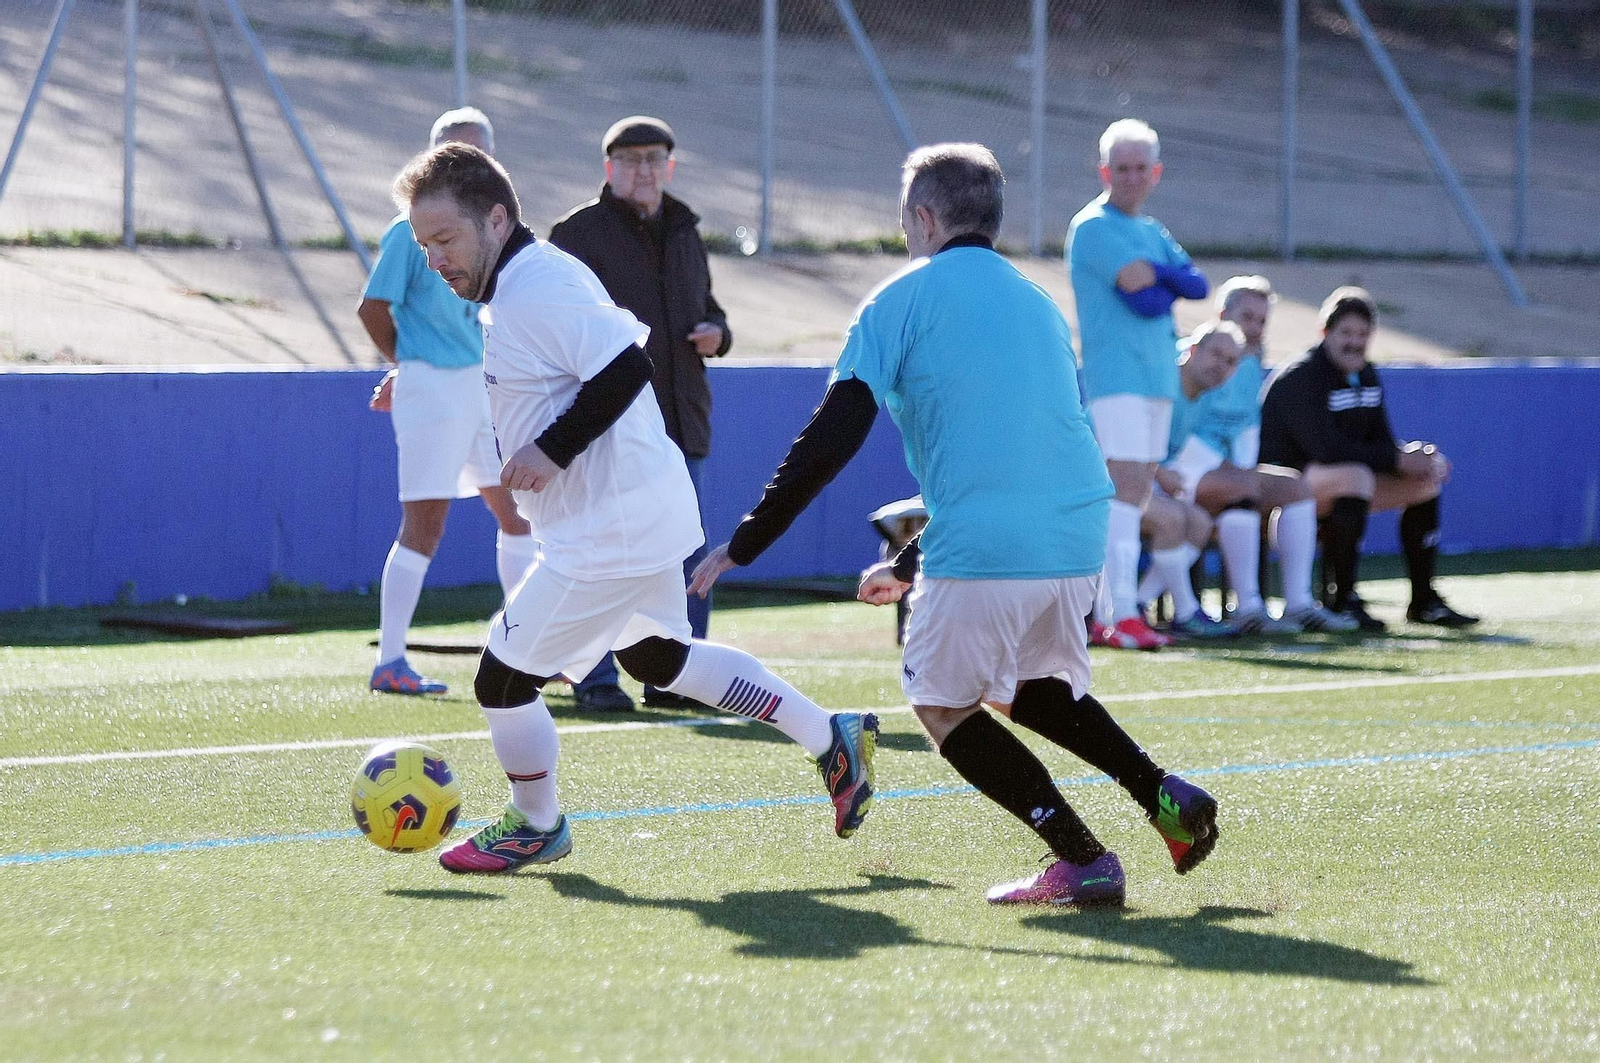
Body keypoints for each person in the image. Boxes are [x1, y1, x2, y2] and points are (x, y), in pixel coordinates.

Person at [690, 143, 1219, 906]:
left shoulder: (899, 299)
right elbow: (1012, 459)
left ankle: (1083, 857)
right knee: (1031, 689)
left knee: (941, 703)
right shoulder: (1037, 303)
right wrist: (910, 565)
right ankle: (1163, 793)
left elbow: (832, 435)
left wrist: (747, 540)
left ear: (923, 218)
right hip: (1077, 533)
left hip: (992, 542)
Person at [390, 143, 878, 873]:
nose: (434, 258)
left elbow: (625, 366)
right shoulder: (520, 286)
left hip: (607, 529)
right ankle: (829, 735)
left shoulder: (535, 285)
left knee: (501, 679)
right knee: (658, 657)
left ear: (495, 219)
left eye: (445, 238)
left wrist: (552, 449)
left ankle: (536, 822)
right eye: (423, 244)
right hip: (631, 514)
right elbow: (536, 377)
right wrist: (429, 388)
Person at [547, 115, 731, 713]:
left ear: (669, 166)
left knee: (684, 551)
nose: (643, 170)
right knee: (601, 552)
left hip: (681, 419)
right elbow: (554, 324)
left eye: (654, 159)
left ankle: (679, 675)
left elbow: (708, 307)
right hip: (610, 424)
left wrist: (718, 332)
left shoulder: (684, 230)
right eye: (630, 160)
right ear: (609, 168)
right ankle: (595, 676)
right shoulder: (577, 234)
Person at [357, 108, 536, 696]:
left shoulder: (497, 230)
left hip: (486, 387)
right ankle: (390, 659)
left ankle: (525, 647)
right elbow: (372, 307)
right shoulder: (407, 231)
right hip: (434, 386)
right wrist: (407, 364)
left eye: (475, 153)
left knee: (517, 514)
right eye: (449, 152)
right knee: (425, 524)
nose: (461, 162)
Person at [1067, 119, 1209, 651]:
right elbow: (1146, 299)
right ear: (1104, 171)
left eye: (1139, 168)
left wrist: (1160, 273)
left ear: (1156, 173)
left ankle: (1120, 612)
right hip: (1118, 377)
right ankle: (1117, 612)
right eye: (1121, 168)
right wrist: (1166, 278)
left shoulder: (1152, 230)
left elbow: (1197, 283)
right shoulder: (1093, 226)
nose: (1131, 177)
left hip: (1156, 377)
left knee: (1136, 491)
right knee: (1124, 491)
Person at [1259, 286, 1479, 631]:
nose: (1355, 342)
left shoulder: (1366, 374)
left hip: (1335, 482)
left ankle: (1424, 600)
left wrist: (1412, 456)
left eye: (1363, 334)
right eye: (1346, 333)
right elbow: (1326, 449)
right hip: (1282, 488)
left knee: (1424, 481)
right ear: (1325, 332)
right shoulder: (1301, 376)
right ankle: (1342, 598)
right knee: (1356, 476)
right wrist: (1396, 459)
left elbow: (1381, 442)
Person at [1140, 293, 1359, 634]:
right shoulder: (1181, 369)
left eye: (1262, 320)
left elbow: (1244, 430)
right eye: (1247, 317)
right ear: (1222, 315)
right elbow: (1160, 443)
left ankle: (1298, 604)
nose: (1255, 328)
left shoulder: (1243, 367)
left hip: (1204, 471)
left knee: (1296, 488)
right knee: (1239, 490)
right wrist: (1228, 471)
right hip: (1168, 474)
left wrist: (1242, 468)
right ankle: (1248, 608)